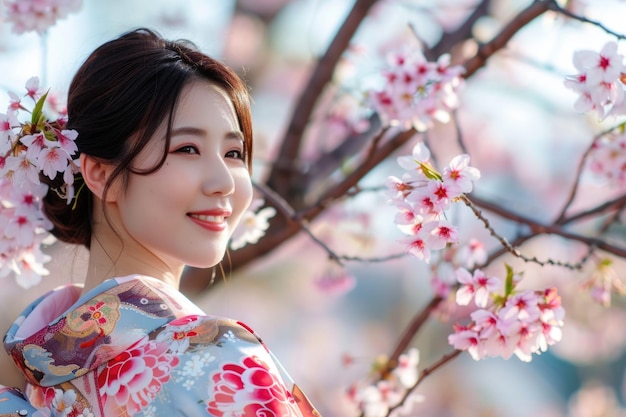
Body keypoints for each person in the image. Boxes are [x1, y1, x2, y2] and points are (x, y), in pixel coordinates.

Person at [0, 28, 320, 416]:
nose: (223, 182)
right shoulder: (218, 358)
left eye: (234, 153)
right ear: (100, 174)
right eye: (187, 148)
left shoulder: (31, 382)